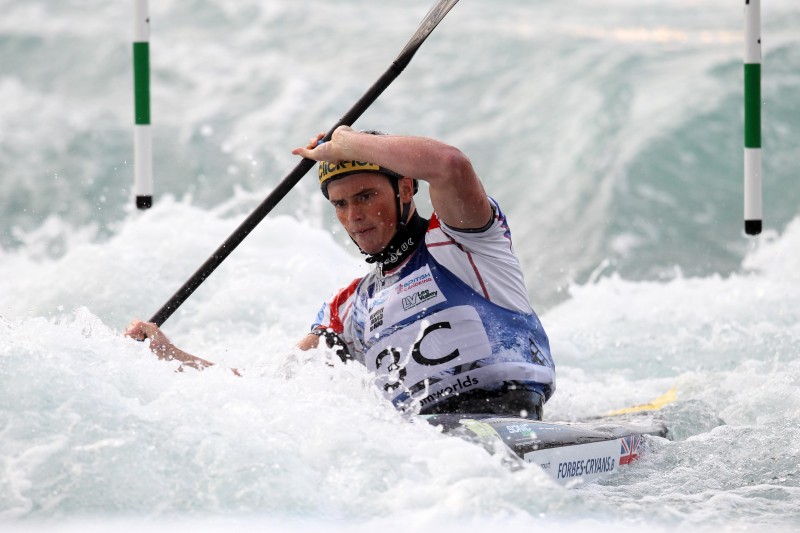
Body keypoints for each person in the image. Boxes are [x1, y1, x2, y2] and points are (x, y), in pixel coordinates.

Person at [126, 126, 555, 419]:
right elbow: (264, 390)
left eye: (366, 196)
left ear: (405, 188)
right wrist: (168, 354)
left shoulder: (463, 241)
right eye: (341, 204)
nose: (355, 216)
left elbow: (450, 165)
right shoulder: (349, 308)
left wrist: (349, 143)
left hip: (511, 412)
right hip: (431, 448)